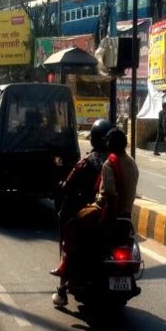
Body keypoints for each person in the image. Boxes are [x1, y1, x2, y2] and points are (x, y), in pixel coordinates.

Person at [52, 126, 139, 306]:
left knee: (70, 227)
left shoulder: (101, 162)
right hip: (126, 217)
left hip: (106, 212)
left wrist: (100, 207)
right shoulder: (131, 162)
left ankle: (64, 274)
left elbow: (108, 194)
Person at [51, 119, 114, 280]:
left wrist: (61, 186)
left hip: (94, 210)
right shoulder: (119, 161)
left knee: (69, 227)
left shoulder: (88, 161)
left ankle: (64, 278)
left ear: (93, 139)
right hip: (118, 212)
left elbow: (68, 184)